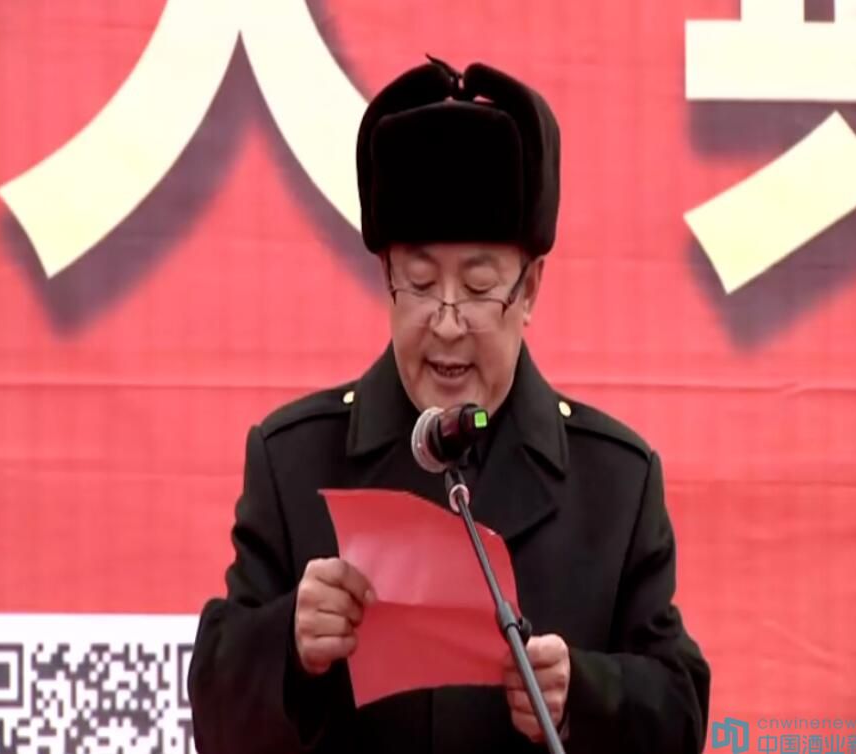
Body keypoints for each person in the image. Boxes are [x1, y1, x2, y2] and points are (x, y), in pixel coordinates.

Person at [187, 58, 710, 754]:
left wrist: (583, 695)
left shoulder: (614, 481)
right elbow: (216, 716)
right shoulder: (293, 460)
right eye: (420, 280)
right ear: (385, 277)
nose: (447, 321)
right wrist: (290, 644)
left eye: (480, 286)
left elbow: (679, 711)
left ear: (529, 290)